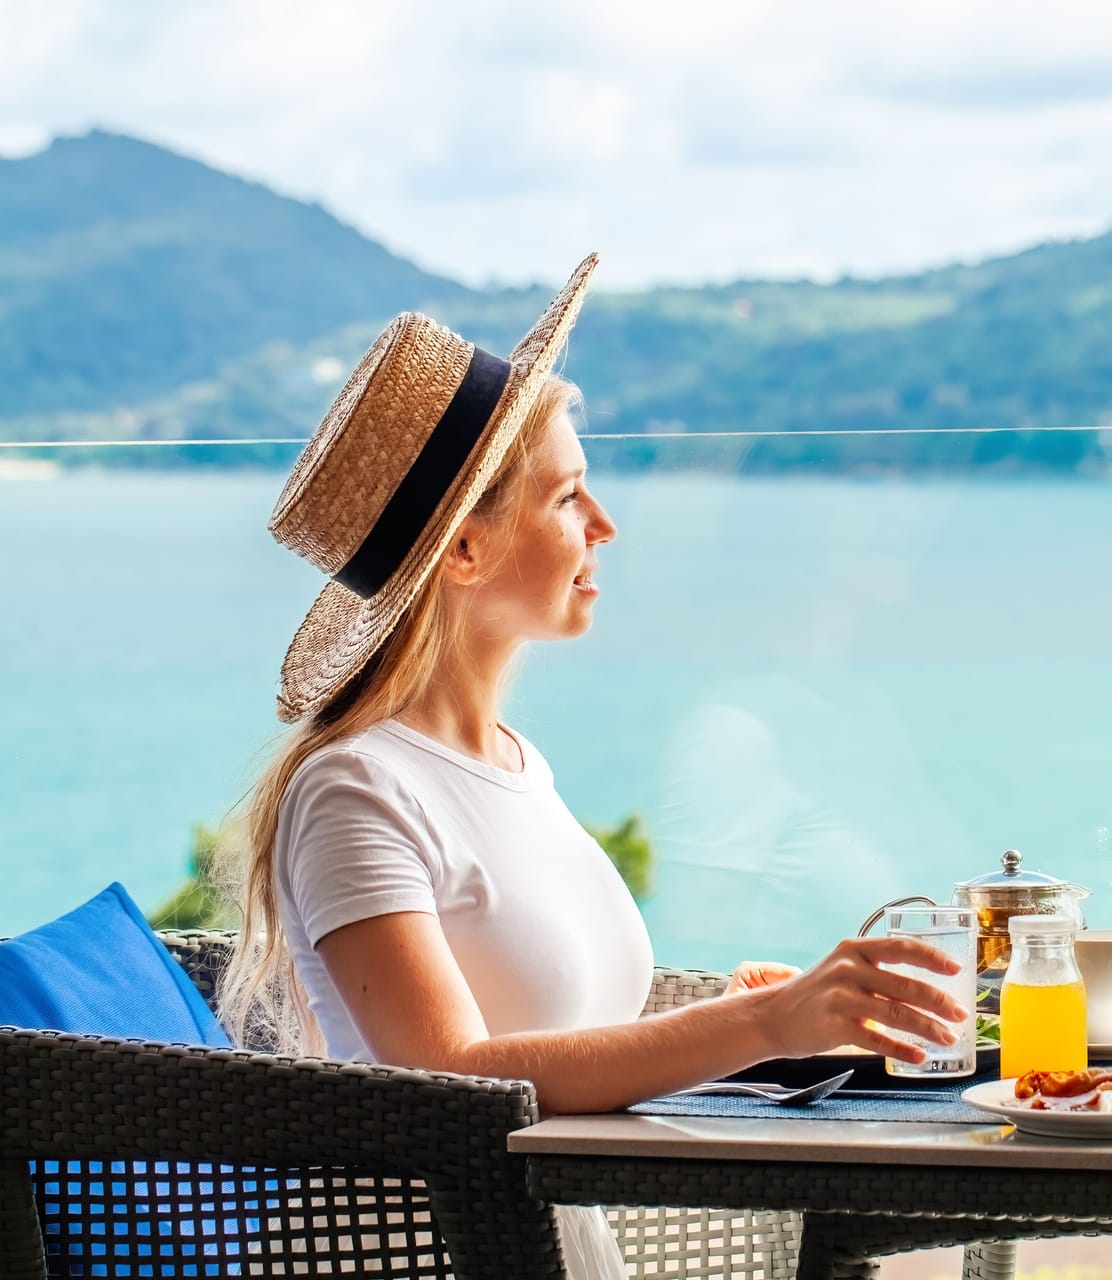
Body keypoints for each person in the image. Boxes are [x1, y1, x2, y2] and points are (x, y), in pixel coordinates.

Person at [215, 255, 964, 1278]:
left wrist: (741, 1026)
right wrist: (755, 1019)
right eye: (567, 497)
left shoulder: (516, 766)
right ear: (465, 552)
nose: (604, 525)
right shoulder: (355, 789)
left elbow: (546, 1031)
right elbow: (455, 1078)